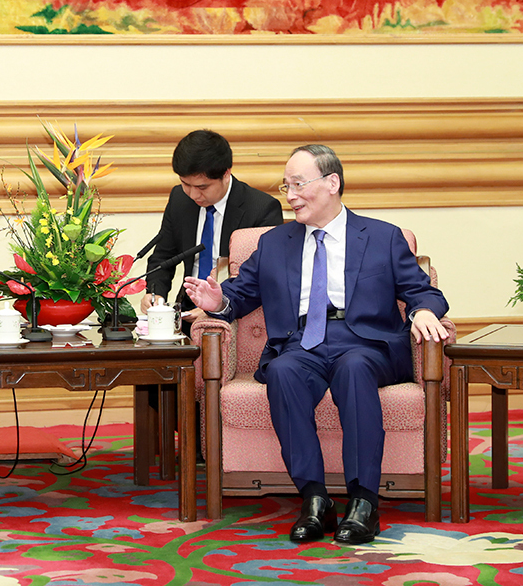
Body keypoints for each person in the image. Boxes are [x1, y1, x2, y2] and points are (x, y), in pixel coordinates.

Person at [185, 144, 449, 545]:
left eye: (298, 184)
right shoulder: (274, 242)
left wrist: (423, 311)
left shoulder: (383, 237)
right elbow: (239, 295)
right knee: (283, 372)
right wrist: (217, 301)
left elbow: (422, 291)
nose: (290, 196)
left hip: (364, 342)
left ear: (332, 183)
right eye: (285, 186)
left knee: (355, 369)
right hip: (300, 343)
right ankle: (315, 499)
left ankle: (364, 502)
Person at [141, 129, 283, 321]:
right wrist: (155, 294)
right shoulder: (180, 199)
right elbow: (163, 257)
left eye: (202, 187)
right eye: (185, 184)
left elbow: (261, 277)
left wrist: (216, 306)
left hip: (234, 312)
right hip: (188, 312)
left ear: (226, 174)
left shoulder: (261, 209)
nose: (193, 195)